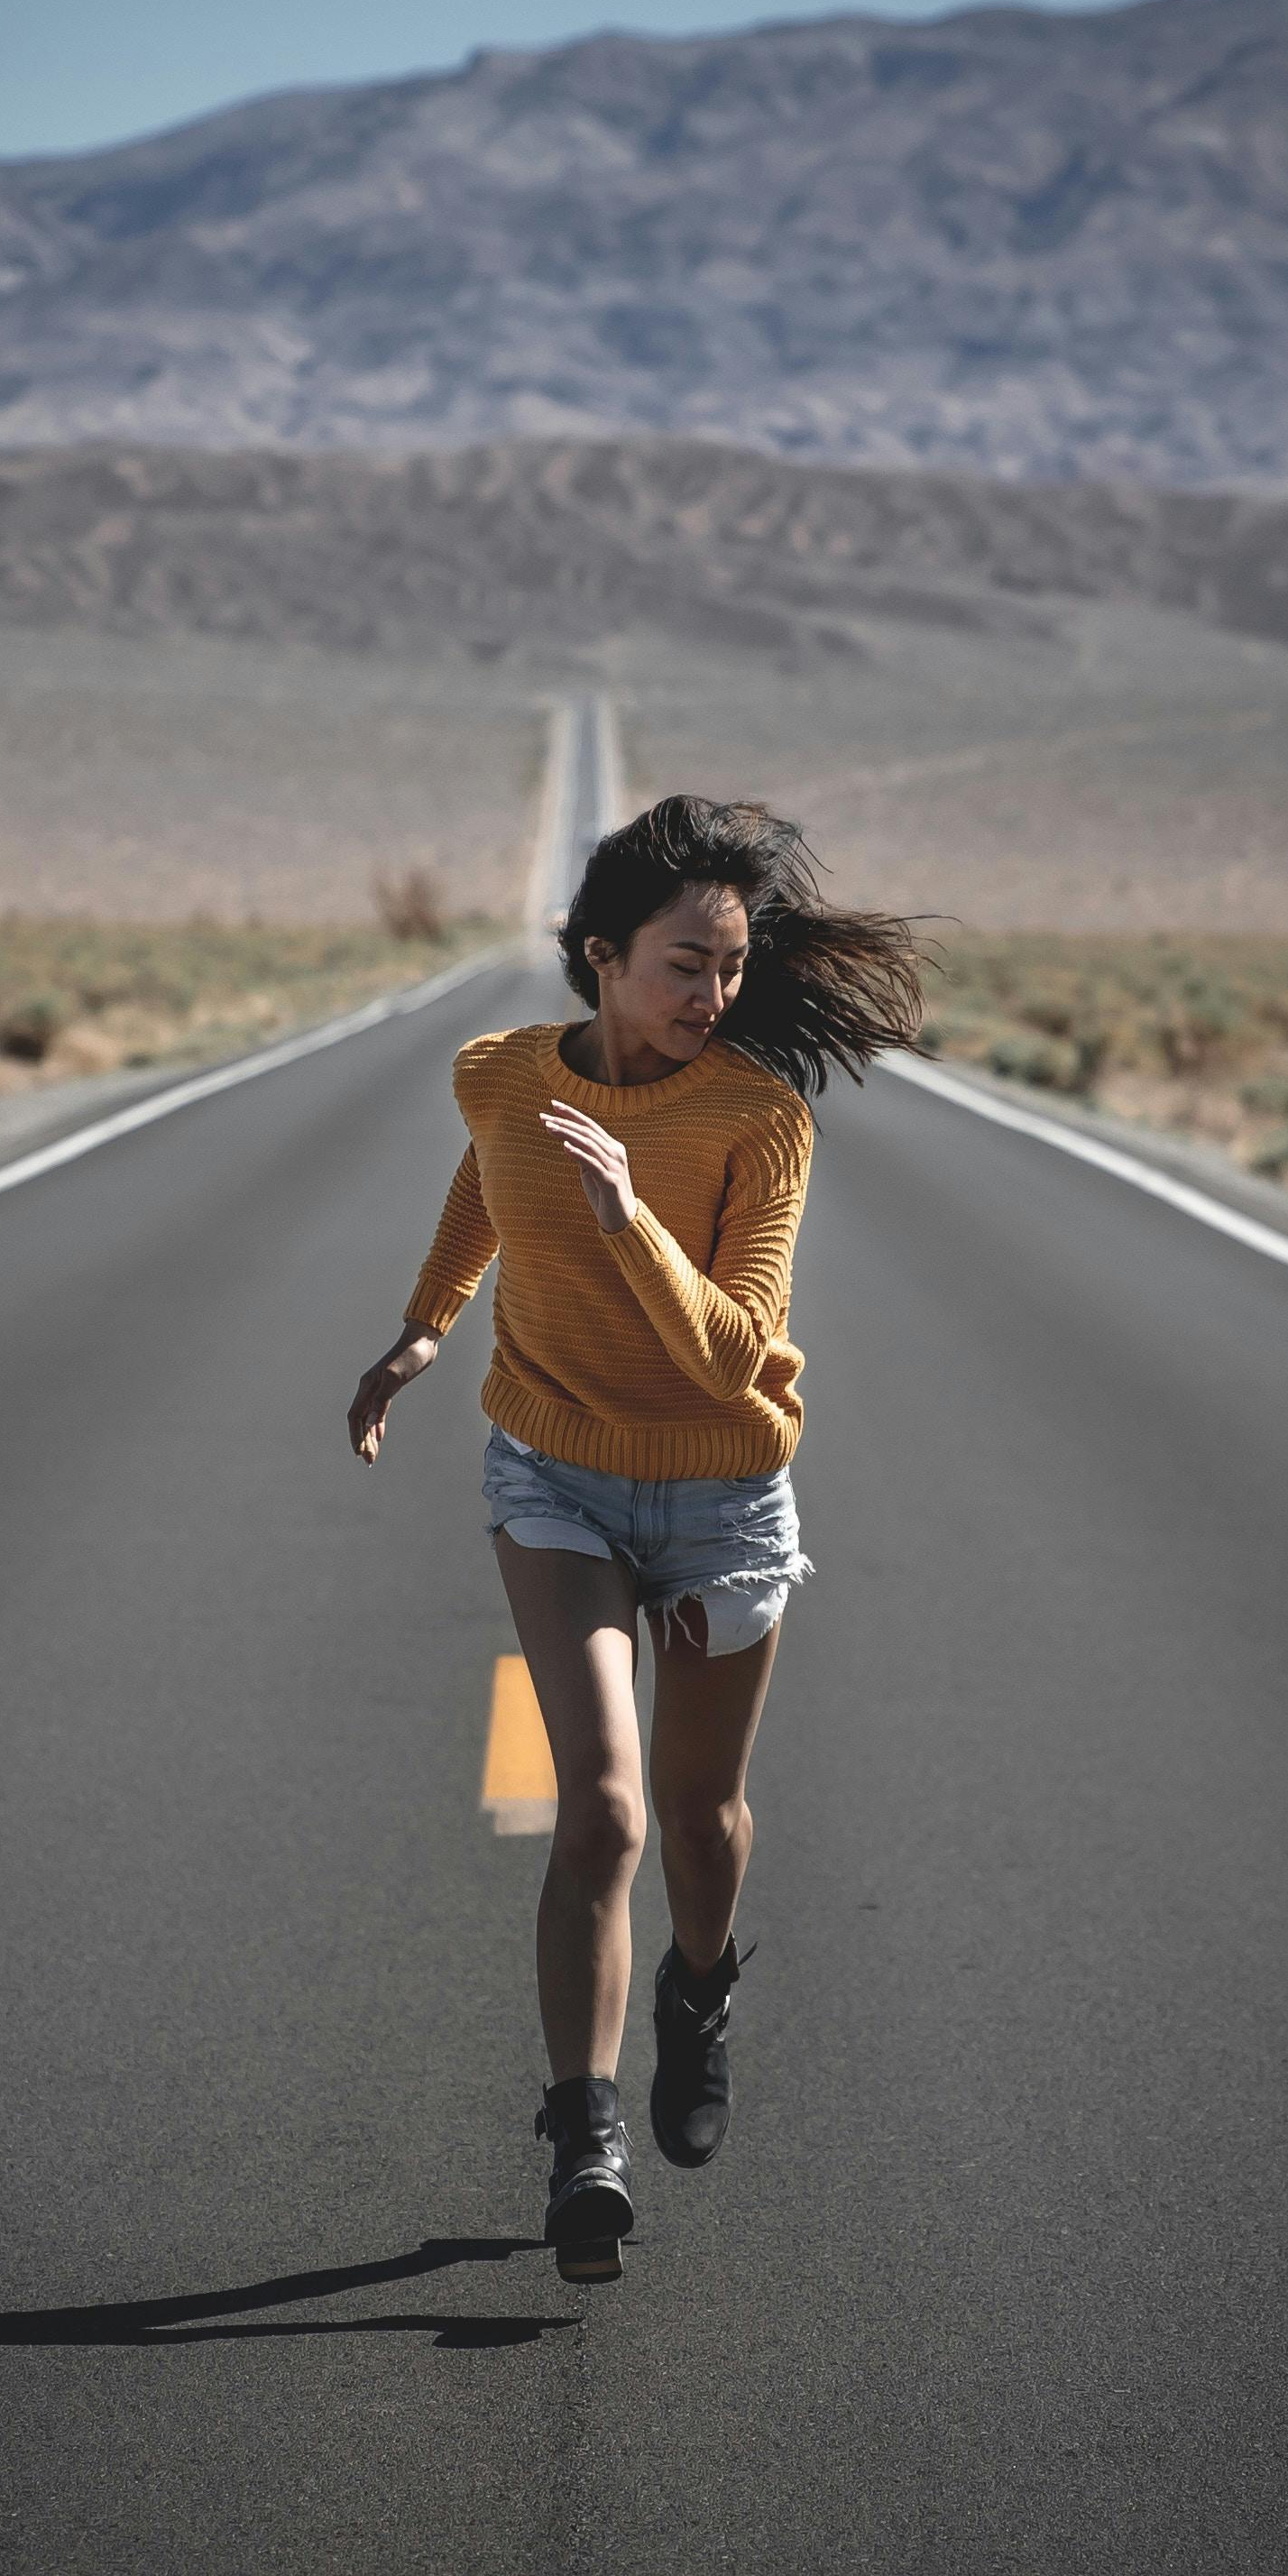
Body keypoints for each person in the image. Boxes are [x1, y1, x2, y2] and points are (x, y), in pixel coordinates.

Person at [347, 795, 930, 2282]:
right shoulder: (497, 1076)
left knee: (699, 1819)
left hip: (726, 1494)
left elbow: (735, 1351)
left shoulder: (755, 1118)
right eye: (684, 966)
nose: (711, 999)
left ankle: (698, 1991)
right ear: (599, 957)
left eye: (729, 969)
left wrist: (628, 1218)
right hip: (556, 1477)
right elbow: (488, 1185)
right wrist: (422, 1333)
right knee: (597, 1810)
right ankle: (582, 2134)